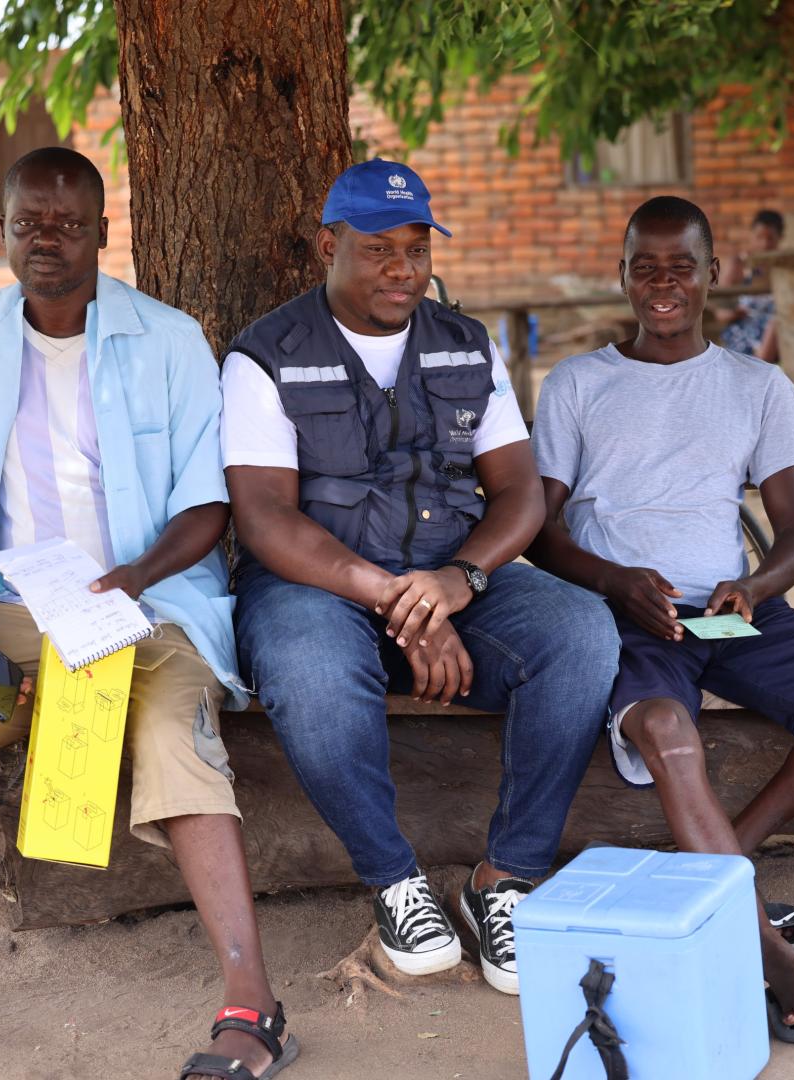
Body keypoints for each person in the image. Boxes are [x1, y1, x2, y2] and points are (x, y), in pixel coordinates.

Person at [0, 148, 297, 1080]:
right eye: (29, 222)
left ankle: (252, 1007)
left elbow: (209, 505)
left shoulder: (168, 340)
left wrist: (135, 576)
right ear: (2, 231)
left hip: (149, 605)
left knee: (171, 735)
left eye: (69, 223)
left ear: (103, 233)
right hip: (11, 607)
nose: (48, 240)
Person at [221, 159, 618, 998]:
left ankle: (503, 880)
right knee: (309, 670)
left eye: (416, 249)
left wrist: (460, 580)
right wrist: (397, 599)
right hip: (314, 587)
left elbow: (516, 492)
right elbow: (263, 518)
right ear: (327, 245)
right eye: (377, 250)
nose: (402, 269)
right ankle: (396, 884)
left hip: (449, 574)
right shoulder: (266, 354)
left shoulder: (465, 346)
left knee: (581, 631)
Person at [527, 196, 794, 1044]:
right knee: (664, 727)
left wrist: (757, 585)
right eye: (645, 266)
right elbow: (540, 534)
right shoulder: (579, 384)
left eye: (681, 267)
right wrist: (615, 581)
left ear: (711, 276)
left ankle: (721, 864)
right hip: (625, 617)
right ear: (622, 275)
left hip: (727, 611)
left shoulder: (755, 385)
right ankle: (771, 959)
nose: (663, 284)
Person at [716, 208, 783, 362]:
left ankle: (759, 368)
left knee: (776, 323)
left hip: (776, 334)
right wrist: (734, 314)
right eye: (759, 237)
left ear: (780, 238)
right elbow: (721, 313)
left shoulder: (784, 267)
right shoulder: (738, 265)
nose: (765, 244)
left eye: (770, 238)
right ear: (751, 236)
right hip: (743, 330)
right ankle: (758, 369)